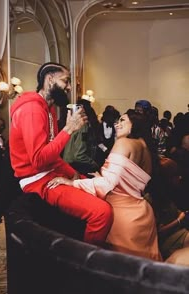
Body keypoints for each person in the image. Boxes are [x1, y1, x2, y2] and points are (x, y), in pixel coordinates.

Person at [9, 62, 113, 245]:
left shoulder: (47, 108)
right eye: (66, 81)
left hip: (49, 172)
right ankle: (86, 263)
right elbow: (39, 160)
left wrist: (74, 175)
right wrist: (69, 129)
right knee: (102, 213)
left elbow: (52, 155)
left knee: (96, 187)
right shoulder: (32, 109)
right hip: (37, 180)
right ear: (50, 80)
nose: (70, 86)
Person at [48, 109, 162, 260]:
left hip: (121, 217)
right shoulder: (146, 149)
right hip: (143, 215)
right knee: (144, 273)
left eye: (123, 120)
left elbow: (108, 184)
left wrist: (72, 183)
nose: (117, 123)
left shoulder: (124, 143)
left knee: (119, 272)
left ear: (134, 125)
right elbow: (126, 181)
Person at [62, 93, 100, 176]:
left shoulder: (74, 123)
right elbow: (79, 154)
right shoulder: (83, 126)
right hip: (75, 166)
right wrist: (94, 164)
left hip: (68, 163)